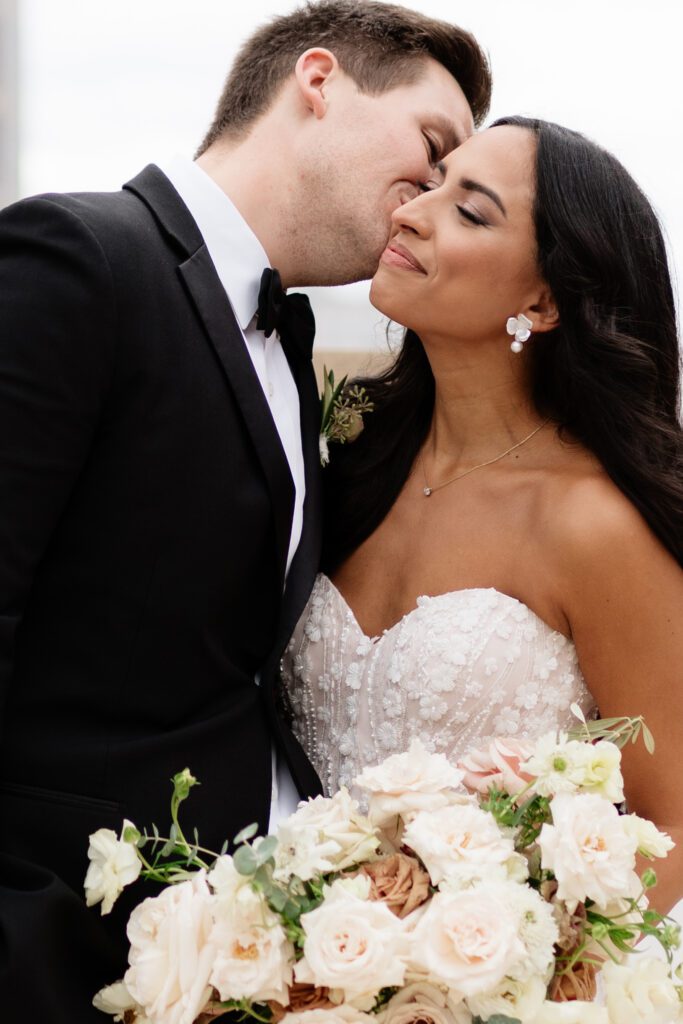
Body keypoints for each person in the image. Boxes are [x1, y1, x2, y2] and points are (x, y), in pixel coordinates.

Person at [0, 1, 491, 1018]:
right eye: (432, 146)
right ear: (319, 81)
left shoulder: (289, 352)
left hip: (250, 961)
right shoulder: (77, 256)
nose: (432, 196)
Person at [282, 117, 683, 914]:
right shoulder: (346, 463)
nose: (408, 212)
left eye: (468, 211)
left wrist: (499, 967)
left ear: (542, 301)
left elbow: (670, 827)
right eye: (430, 185)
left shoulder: (592, 524)